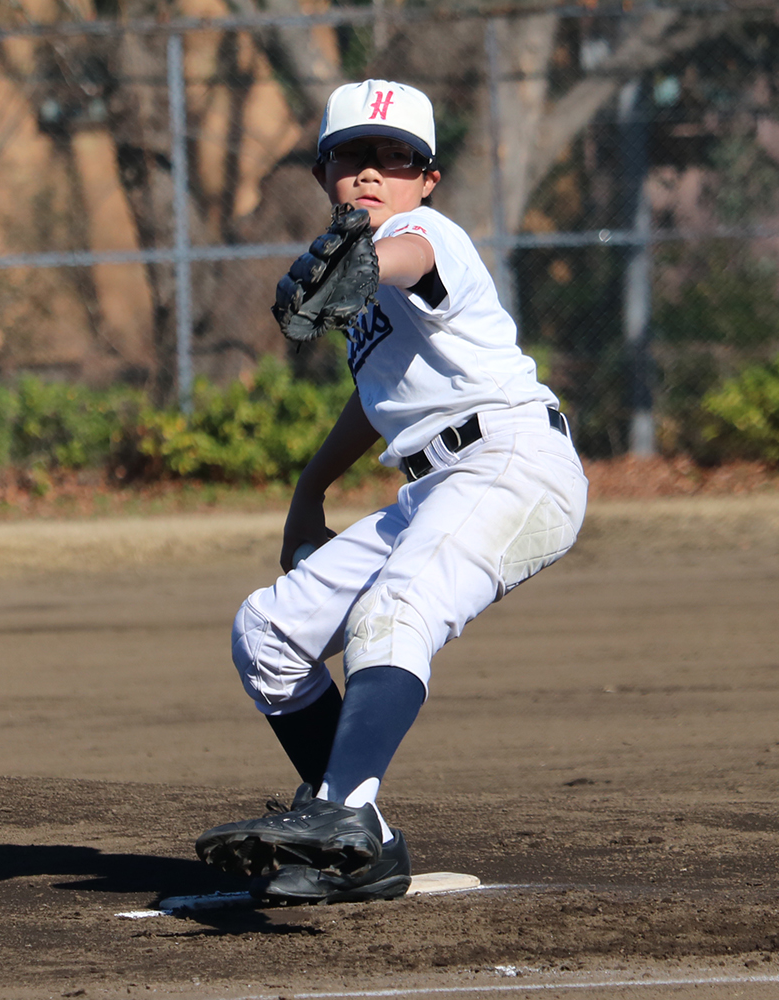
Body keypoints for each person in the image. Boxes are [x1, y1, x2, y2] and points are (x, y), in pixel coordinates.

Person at [195, 79, 589, 905]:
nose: (373, 171)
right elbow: (377, 396)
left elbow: (405, 256)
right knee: (268, 634)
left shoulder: (424, 236)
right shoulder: (363, 277)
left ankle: (338, 812)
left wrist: (369, 261)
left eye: (397, 157)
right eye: (353, 155)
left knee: (394, 611)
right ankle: (357, 837)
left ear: (427, 178)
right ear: (322, 172)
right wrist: (310, 490)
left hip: (512, 461)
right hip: (436, 486)